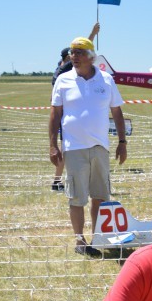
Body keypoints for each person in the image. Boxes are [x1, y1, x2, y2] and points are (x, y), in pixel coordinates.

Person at [49, 35, 126, 256]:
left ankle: (98, 237)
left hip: (100, 146)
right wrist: (53, 145)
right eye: (72, 52)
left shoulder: (106, 80)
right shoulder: (63, 80)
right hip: (73, 147)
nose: (74, 56)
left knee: (100, 196)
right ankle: (80, 241)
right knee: (76, 196)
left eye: (80, 52)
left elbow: (117, 111)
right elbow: (55, 114)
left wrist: (122, 142)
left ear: (91, 57)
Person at [51, 23, 100, 192]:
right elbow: (84, 48)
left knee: (68, 149)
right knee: (68, 149)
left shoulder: (60, 68)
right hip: (66, 116)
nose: (76, 56)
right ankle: (59, 181)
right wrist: (92, 34)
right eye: (74, 53)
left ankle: (60, 180)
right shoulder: (65, 71)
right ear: (68, 57)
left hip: (66, 114)